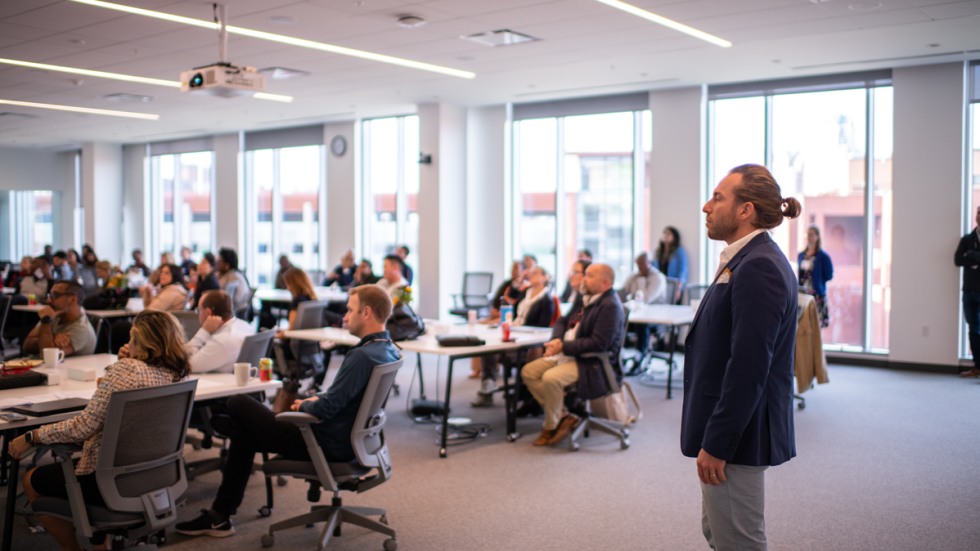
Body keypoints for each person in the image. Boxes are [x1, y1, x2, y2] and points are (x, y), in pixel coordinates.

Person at [175, 284, 400, 538]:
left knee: (238, 403)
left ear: (367, 313)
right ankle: (220, 516)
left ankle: (220, 507)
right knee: (244, 431)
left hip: (323, 440)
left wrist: (306, 404)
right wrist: (316, 398)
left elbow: (327, 408)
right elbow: (345, 398)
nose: (345, 316)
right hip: (352, 441)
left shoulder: (361, 356)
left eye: (350, 310)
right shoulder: (387, 349)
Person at [682, 163, 801, 550]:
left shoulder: (759, 266)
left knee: (739, 542)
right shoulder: (744, 259)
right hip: (733, 429)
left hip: (738, 436)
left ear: (744, 210)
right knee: (719, 533)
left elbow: (749, 367)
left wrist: (718, 443)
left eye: (717, 198)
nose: (706, 206)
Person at [10, 310, 190, 551]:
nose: (127, 344)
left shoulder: (127, 370)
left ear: (141, 341)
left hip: (111, 485)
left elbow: (83, 427)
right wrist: (126, 361)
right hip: (159, 478)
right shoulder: (179, 374)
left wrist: (33, 437)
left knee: (31, 479)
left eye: (131, 339)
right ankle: (100, 545)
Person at [521, 263, 624, 447]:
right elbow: (562, 320)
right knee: (529, 371)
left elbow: (598, 343)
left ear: (605, 282)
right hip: (569, 354)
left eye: (589, 275)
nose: (584, 279)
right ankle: (563, 416)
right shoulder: (585, 297)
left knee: (551, 378)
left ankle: (550, 425)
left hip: (592, 362)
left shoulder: (610, 306)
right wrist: (556, 340)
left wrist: (563, 346)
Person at [472, 266, 554, 407]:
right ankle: (488, 385)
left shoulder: (547, 300)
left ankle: (492, 387)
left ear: (545, 277)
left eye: (535, 273)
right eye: (530, 273)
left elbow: (542, 328)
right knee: (488, 346)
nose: (531, 275)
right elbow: (512, 306)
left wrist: (518, 330)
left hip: (526, 342)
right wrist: (519, 280)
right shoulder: (526, 293)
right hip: (512, 332)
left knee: (494, 349)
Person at [22, 280, 97, 357]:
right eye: (49, 295)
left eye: (55, 295)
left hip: (68, 368)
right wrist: (53, 336)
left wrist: (46, 321)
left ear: (73, 299)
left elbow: (48, 357)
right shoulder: (56, 315)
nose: (49, 300)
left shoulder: (81, 329)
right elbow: (27, 346)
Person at [187, 290, 255, 374]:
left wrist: (204, 331)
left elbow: (185, 364)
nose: (198, 314)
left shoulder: (222, 340)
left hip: (219, 384)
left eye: (199, 310)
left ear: (208, 312)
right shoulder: (245, 326)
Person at [620, 252, 667, 354]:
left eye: (642, 264)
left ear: (649, 263)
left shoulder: (657, 278)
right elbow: (623, 292)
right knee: (619, 320)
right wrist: (630, 279)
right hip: (637, 313)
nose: (639, 267)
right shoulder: (634, 276)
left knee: (641, 324)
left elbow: (645, 299)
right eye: (638, 264)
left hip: (656, 316)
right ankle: (619, 354)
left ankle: (640, 355)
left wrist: (641, 280)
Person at [956, 206, 980, 377]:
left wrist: (971, 255)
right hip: (969, 291)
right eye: (978, 212)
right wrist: (972, 255)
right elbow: (957, 260)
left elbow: (967, 257)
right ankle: (977, 366)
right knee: (973, 329)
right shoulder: (967, 239)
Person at [798, 225, 834, 329]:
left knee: (816, 327)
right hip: (802, 294)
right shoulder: (801, 255)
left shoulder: (823, 256)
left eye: (811, 234)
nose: (809, 237)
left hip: (817, 295)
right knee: (803, 325)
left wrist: (818, 281)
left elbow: (829, 275)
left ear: (817, 237)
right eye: (807, 234)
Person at [216, 247, 251, 315]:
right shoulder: (228, 274)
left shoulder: (234, 277)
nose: (217, 263)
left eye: (219, 261)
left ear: (227, 265)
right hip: (232, 310)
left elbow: (224, 298)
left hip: (235, 312)